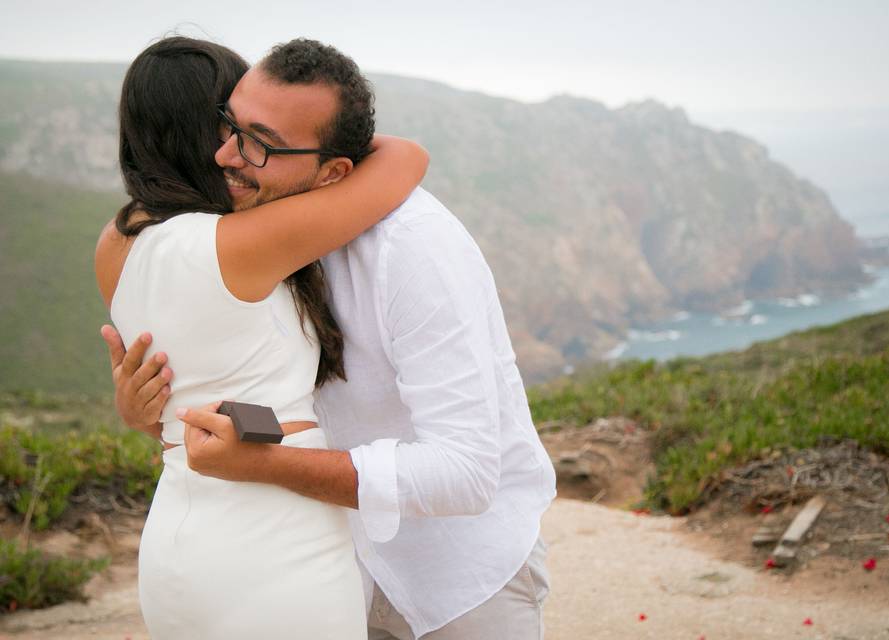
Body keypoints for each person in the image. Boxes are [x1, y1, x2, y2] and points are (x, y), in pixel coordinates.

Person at [105, 38, 557, 640]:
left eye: (259, 143)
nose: (225, 155)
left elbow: (467, 472)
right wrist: (152, 409)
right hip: (329, 558)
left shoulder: (413, 248)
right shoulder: (244, 233)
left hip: (452, 578)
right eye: (226, 127)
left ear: (334, 170)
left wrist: (269, 464)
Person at [95, 36, 428, 639]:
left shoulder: (115, 243)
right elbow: (405, 161)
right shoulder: (239, 247)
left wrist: (131, 409)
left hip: (176, 533)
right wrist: (319, 143)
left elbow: (174, 401)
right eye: (236, 121)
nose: (239, 145)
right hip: (274, 541)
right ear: (210, 130)